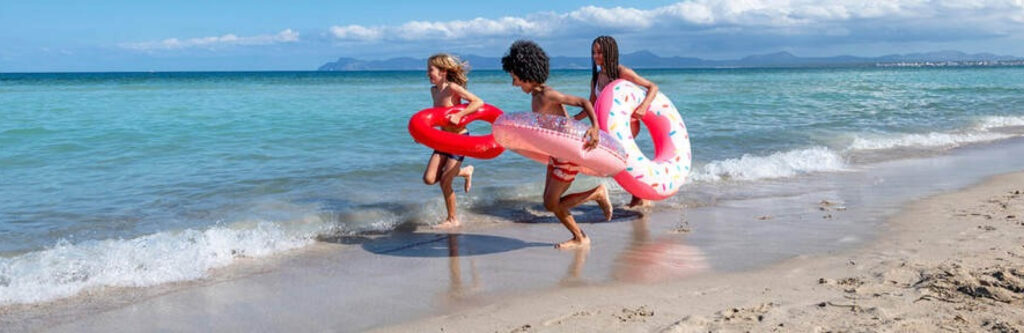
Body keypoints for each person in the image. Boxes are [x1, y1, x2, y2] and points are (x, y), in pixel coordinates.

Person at [501, 40, 613, 249]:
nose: (514, 84)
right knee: (548, 201)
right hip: (556, 154)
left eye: (516, 78)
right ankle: (580, 237)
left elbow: (584, 102)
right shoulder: (535, 95)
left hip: (568, 155)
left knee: (551, 203)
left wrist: (595, 128)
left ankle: (596, 194)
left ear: (527, 73)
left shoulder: (546, 94)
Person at [582, 35, 660, 209]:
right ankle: (639, 195)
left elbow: (653, 87)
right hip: (607, 127)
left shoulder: (621, 72)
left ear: (610, 52)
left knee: (623, 161)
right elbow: (591, 106)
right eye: (594, 52)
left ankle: (639, 196)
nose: (596, 56)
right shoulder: (595, 78)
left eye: (600, 52)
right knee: (619, 162)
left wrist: (643, 107)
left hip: (627, 124)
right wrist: (572, 119)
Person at [422, 53, 483, 229]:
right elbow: (435, 116)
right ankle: (465, 172)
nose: (428, 73)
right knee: (429, 178)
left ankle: (452, 219)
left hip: (459, 140)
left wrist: (460, 114)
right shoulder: (433, 91)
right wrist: (422, 134)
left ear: (443, 72)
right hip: (443, 139)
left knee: (445, 181)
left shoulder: (453, 88)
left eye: (430, 70)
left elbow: (478, 102)